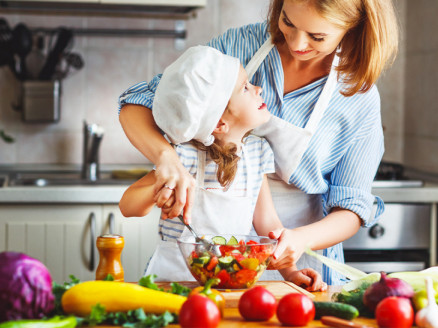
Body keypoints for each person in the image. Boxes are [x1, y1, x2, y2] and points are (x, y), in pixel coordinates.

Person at [118, 0, 399, 285]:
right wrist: (167, 160)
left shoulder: (356, 97)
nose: (297, 43)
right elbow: (142, 101)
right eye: (288, 21)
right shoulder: (241, 46)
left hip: (293, 255)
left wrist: (297, 245)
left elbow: (352, 207)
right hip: (190, 275)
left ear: (353, 27)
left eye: (317, 36)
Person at [119, 45, 326, 291]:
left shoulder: (257, 153)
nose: (258, 88)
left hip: (231, 281)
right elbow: (127, 205)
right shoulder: (184, 156)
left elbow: (267, 223)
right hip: (172, 282)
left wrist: (290, 272)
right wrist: (158, 190)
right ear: (219, 123)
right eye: (245, 88)